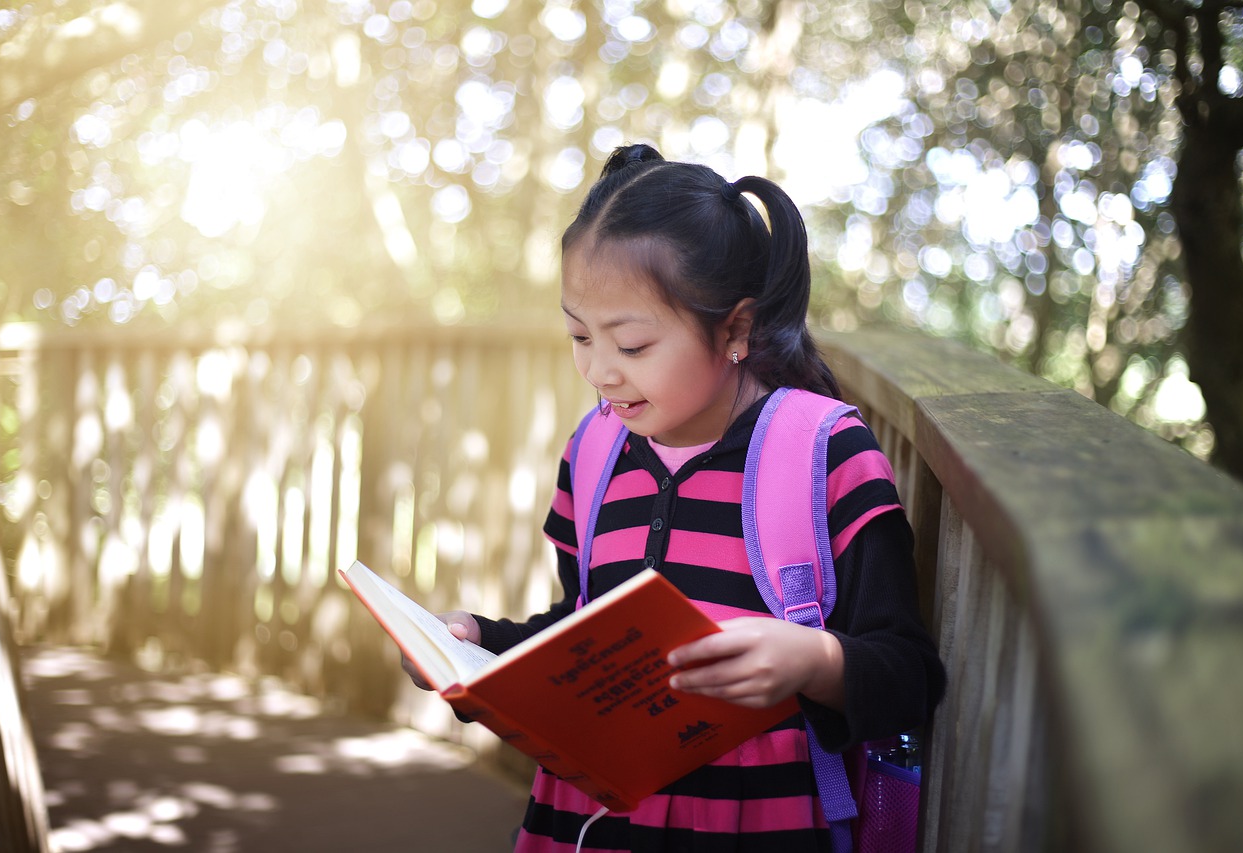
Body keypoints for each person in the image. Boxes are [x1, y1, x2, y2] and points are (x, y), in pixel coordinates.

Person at [403, 144, 945, 852]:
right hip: (588, 826)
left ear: (736, 329)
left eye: (631, 344)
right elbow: (582, 635)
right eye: (578, 334)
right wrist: (479, 647)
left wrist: (816, 660)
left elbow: (910, 675)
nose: (599, 370)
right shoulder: (593, 454)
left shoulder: (826, 457)